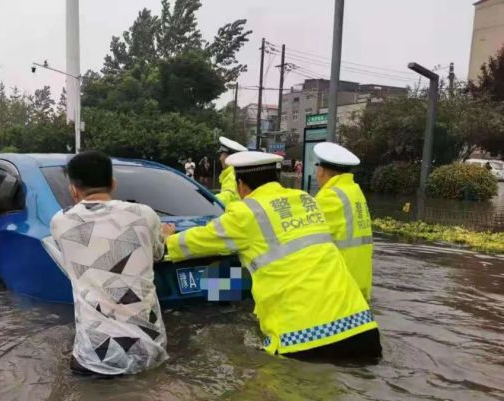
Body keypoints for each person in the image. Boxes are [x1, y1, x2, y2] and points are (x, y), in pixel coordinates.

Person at [162, 151, 381, 362]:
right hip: (362, 328)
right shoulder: (306, 200)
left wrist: (166, 239)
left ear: (241, 185)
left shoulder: (244, 213)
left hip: (307, 339)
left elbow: (196, 241)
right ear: (277, 178)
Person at [50, 151, 168, 376]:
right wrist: (164, 234)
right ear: (113, 183)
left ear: (73, 189)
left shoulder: (60, 221)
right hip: (149, 348)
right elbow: (157, 254)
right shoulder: (145, 214)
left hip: (95, 354)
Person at [313, 142, 373, 301]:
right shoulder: (355, 191)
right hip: (360, 282)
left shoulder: (329, 197)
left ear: (321, 171)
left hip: (339, 287)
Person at [216, 136, 247, 207]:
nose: (220, 159)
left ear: (230, 157)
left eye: (222, 155)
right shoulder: (235, 172)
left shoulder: (232, 176)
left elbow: (228, 195)